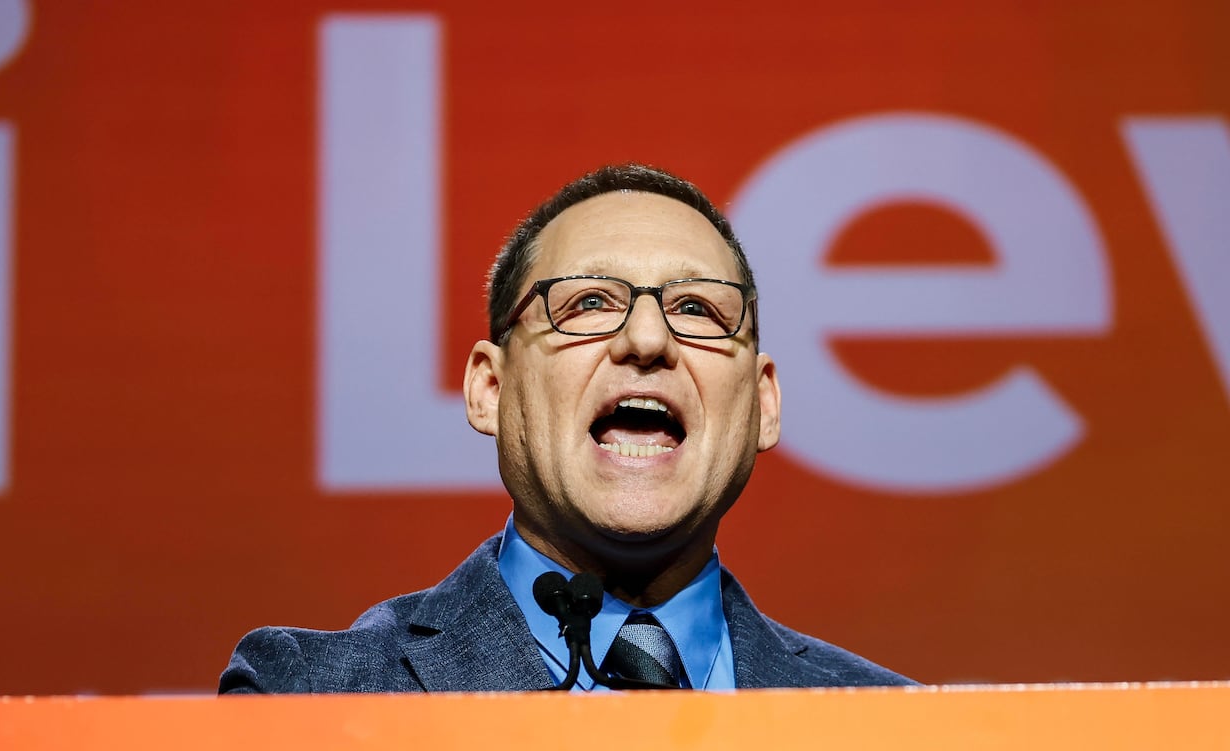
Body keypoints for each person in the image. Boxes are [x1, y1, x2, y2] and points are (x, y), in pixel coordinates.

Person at [219, 164, 912, 693]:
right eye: (586, 303)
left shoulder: (901, 733)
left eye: (698, 308)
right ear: (489, 389)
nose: (646, 338)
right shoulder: (308, 698)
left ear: (763, 405)